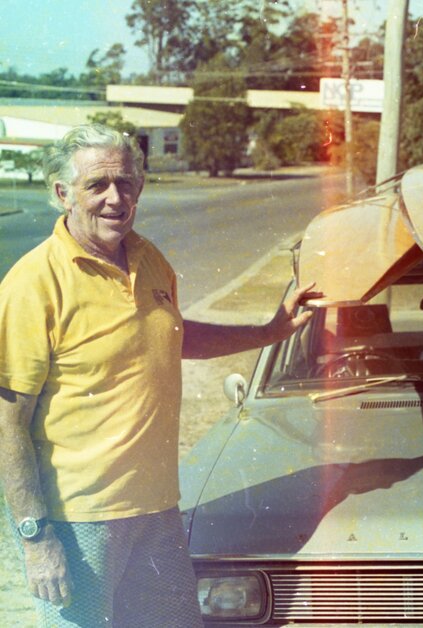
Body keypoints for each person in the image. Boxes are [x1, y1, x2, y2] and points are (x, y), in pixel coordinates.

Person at [0, 123, 317, 627]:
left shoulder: (149, 259)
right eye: (96, 185)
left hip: (156, 511)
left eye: (125, 183)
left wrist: (270, 332)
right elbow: (9, 425)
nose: (115, 198)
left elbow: (172, 335)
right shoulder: (33, 283)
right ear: (62, 194)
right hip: (79, 519)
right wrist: (36, 539)